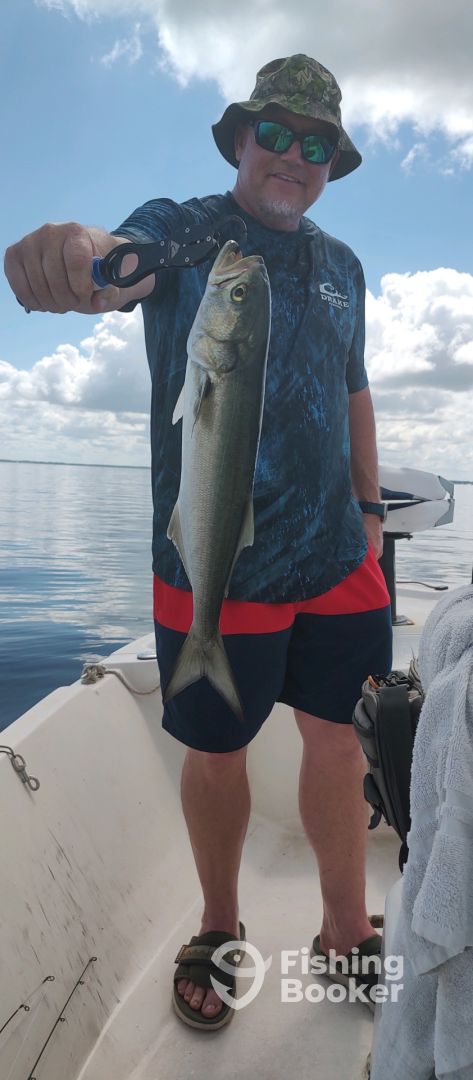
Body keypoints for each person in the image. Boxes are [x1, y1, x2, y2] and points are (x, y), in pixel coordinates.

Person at [5, 54, 392, 1030]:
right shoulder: (188, 231)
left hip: (338, 556)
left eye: (315, 144)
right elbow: (123, 258)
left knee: (338, 739)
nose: (293, 155)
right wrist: (82, 258)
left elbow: (353, 392)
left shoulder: (343, 268)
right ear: (241, 139)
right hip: (213, 561)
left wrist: (370, 512)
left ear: (329, 163)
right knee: (217, 750)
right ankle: (219, 926)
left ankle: (344, 926)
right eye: (277, 133)